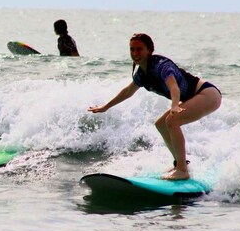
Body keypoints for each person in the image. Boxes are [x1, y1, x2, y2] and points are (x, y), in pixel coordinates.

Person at [88, 33, 221, 180]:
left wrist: (175, 106)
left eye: (139, 49)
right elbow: (128, 91)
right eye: (132, 49)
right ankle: (179, 164)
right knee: (161, 125)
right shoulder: (141, 74)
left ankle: (182, 171)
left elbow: (174, 87)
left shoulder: (161, 66)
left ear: (149, 50)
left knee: (172, 121)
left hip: (207, 94)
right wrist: (105, 107)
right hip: (194, 97)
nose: (135, 53)